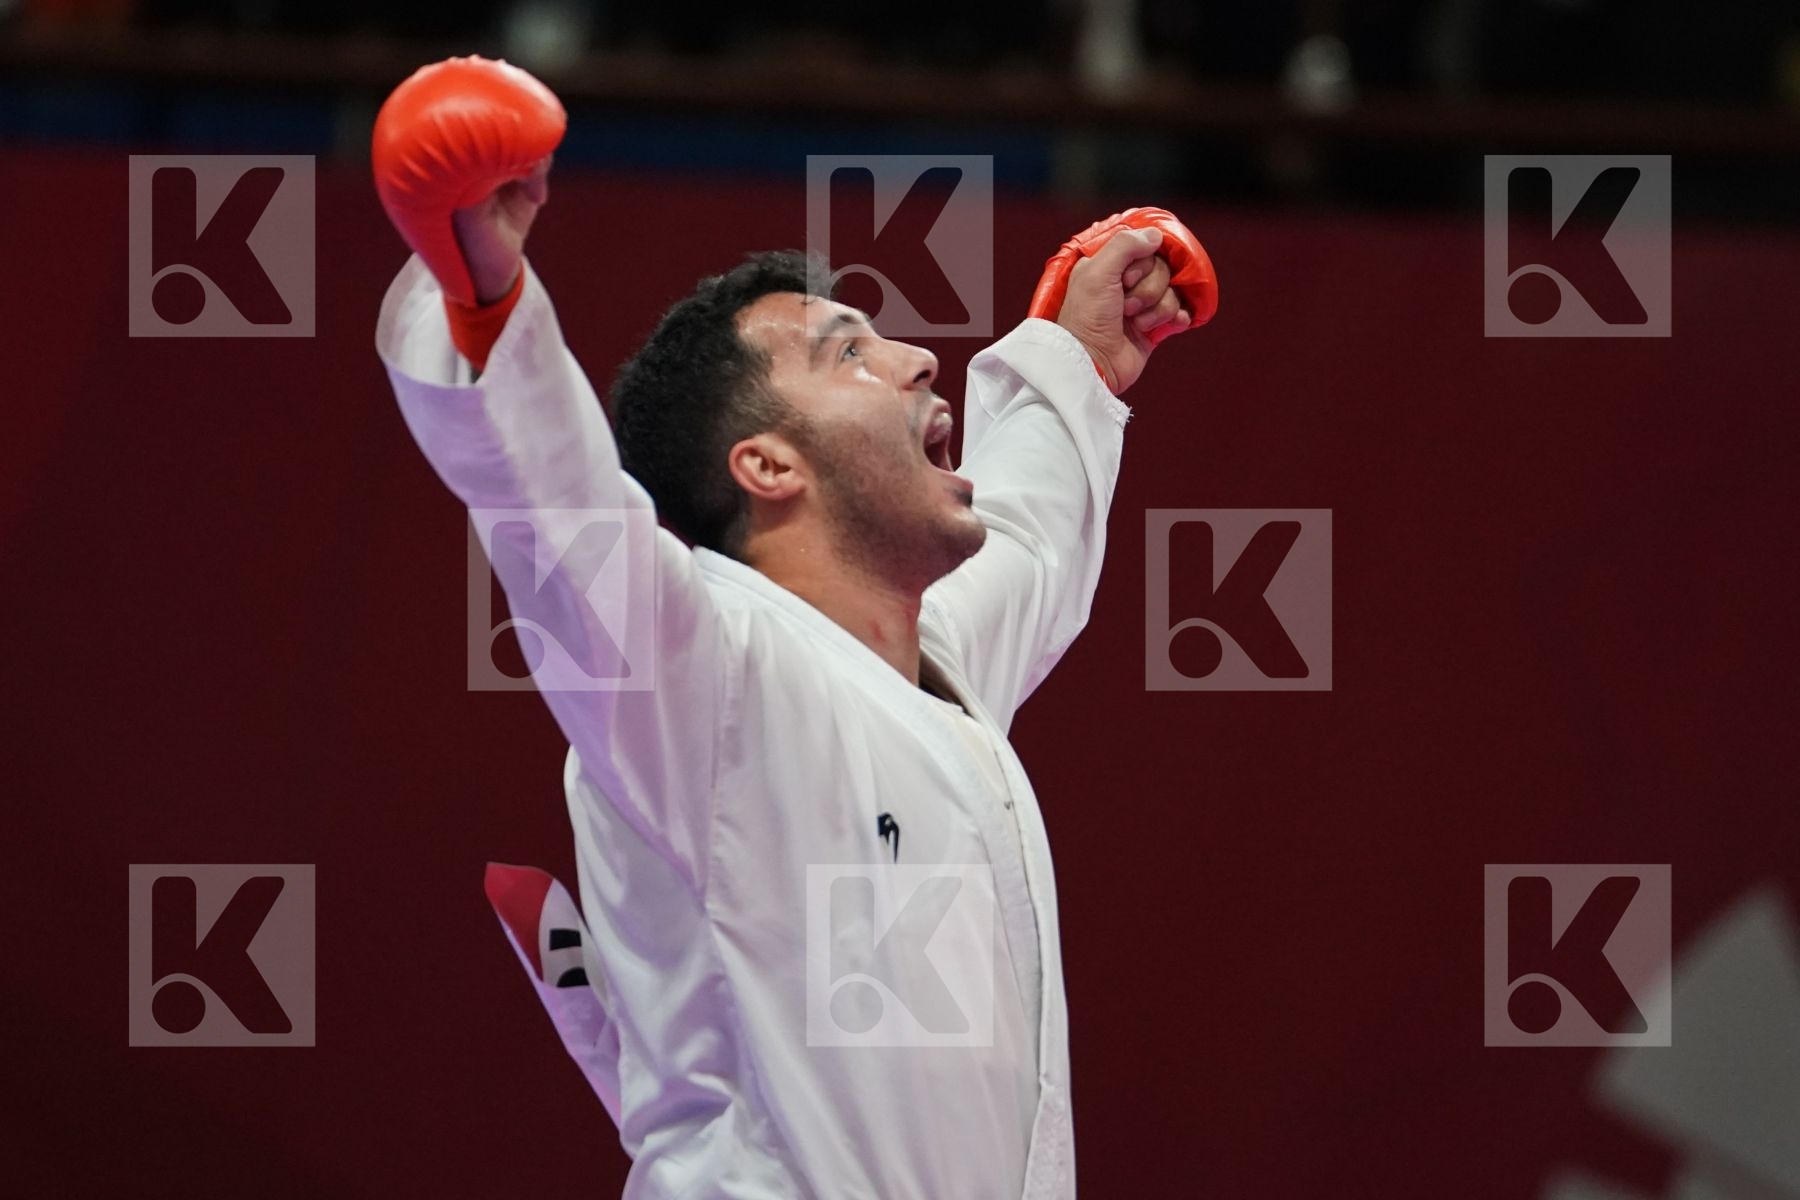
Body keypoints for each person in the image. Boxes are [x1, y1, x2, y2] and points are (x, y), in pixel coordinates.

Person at [372, 55, 1214, 1200]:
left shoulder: (934, 673)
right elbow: (553, 519)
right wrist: (478, 286)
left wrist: (1079, 356)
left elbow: (1030, 537)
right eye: (850, 353)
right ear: (764, 463)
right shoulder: (699, 667)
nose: (922, 358)